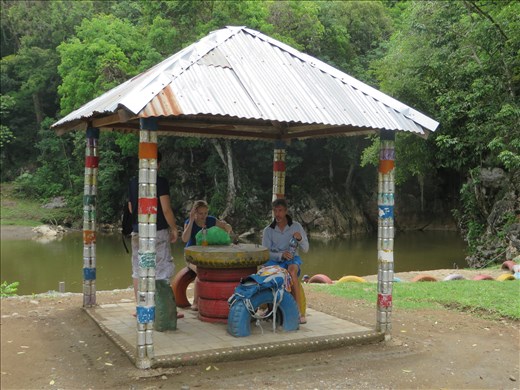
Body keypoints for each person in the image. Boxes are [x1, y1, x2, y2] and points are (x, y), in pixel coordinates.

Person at [128, 152, 181, 317]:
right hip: (157, 232)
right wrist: (174, 229)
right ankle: (163, 308)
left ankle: (142, 308)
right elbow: (165, 209)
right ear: (157, 164)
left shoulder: (133, 182)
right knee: (161, 269)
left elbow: (131, 208)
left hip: (138, 231)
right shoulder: (160, 182)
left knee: (139, 269)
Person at [262, 198, 309, 324]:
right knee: (263, 273)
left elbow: (306, 249)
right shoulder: (268, 230)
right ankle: (269, 308)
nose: (277, 214)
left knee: (292, 272)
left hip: (292, 260)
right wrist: (280, 255)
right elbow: (265, 253)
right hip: (275, 261)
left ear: (286, 211)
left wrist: (300, 239)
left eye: (280, 211)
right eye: (275, 211)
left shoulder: (296, 226)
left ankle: (299, 312)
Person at [181, 200, 232, 310]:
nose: (203, 216)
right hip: (191, 256)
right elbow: (184, 239)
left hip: (207, 255)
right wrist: (190, 220)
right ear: (195, 213)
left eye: (205, 213)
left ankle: (214, 300)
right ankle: (195, 302)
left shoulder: (211, 220)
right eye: (200, 213)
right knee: (200, 271)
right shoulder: (189, 222)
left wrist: (227, 228)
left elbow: (225, 226)